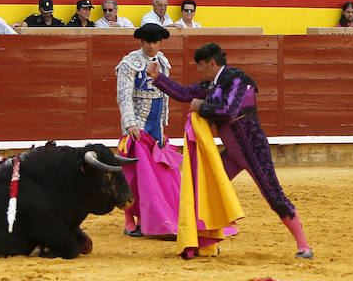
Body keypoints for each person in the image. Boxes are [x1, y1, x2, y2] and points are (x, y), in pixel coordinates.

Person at [149, 43, 313, 260]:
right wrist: (159, 78)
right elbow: (185, 93)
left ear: (212, 64)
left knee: (273, 195)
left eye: (201, 67)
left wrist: (201, 107)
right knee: (205, 190)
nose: (199, 71)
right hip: (234, 151)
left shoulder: (238, 80)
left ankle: (304, 246)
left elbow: (228, 111)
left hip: (253, 149)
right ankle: (205, 244)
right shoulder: (212, 84)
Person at [115, 23, 182, 238]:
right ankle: (129, 220)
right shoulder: (129, 64)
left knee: (152, 176)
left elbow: (164, 98)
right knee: (134, 176)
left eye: (155, 42)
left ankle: (146, 218)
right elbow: (124, 96)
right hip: (138, 125)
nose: (152, 46)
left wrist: (162, 128)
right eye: (148, 42)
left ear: (160, 42)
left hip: (154, 126)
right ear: (141, 42)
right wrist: (130, 124)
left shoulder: (163, 62)